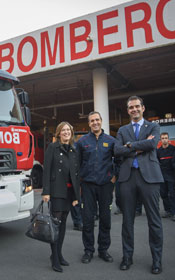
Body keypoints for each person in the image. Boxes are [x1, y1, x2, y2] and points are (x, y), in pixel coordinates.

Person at [114, 96, 164, 275]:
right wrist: (138, 147)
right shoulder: (122, 129)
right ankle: (127, 257)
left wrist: (130, 146)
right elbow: (117, 150)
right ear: (127, 111)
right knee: (127, 221)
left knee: (154, 221)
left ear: (143, 108)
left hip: (149, 178)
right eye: (131, 107)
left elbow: (152, 143)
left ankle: (157, 260)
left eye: (137, 106)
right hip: (128, 178)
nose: (134, 109)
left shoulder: (153, 126)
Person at [75, 111, 119, 265]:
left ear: (101, 121)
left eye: (97, 120)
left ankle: (103, 250)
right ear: (89, 123)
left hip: (106, 186)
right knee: (87, 220)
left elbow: (118, 160)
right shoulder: (82, 142)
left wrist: (114, 177)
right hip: (87, 185)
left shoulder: (111, 141)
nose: (95, 123)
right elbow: (76, 162)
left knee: (105, 219)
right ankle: (88, 250)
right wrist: (80, 179)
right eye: (92, 120)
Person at [42, 121, 81, 273]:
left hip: (69, 193)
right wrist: (46, 191)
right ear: (58, 133)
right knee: (56, 224)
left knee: (63, 224)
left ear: (71, 133)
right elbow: (46, 170)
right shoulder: (52, 147)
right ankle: (55, 258)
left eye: (68, 130)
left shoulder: (73, 149)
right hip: (57, 192)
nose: (66, 132)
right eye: (63, 130)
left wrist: (76, 196)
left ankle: (58, 254)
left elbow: (75, 175)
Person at [157, 132, 175, 221]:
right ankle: (168, 211)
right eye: (162, 138)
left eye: (166, 138)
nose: (164, 139)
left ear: (168, 139)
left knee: (172, 194)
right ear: (160, 140)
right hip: (162, 175)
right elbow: (157, 162)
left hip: (171, 175)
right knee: (163, 194)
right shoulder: (158, 151)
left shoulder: (173, 149)